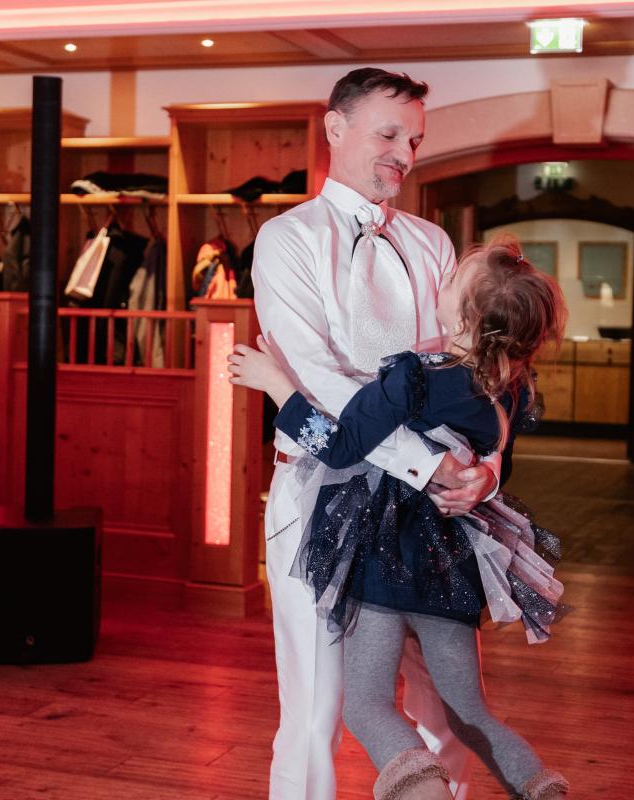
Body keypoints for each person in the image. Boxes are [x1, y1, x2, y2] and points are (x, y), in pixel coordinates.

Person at [231, 236, 570, 800]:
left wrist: (276, 385)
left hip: (382, 556)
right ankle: (541, 790)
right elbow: (499, 464)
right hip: (453, 564)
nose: (443, 278)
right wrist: (484, 477)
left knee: (366, 704)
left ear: (463, 317)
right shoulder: (508, 392)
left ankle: (424, 793)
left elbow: (339, 446)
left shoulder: (414, 376)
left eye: (454, 278)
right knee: (469, 713)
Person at [245, 68, 501, 800]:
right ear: (335, 127)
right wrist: (429, 463)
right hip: (319, 493)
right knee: (316, 708)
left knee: (450, 705)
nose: (404, 154)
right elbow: (320, 383)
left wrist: (485, 466)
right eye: (389, 134)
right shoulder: (286, 240)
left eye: (414, 141)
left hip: (429, 514)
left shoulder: (432, 243)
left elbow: (472, 373)